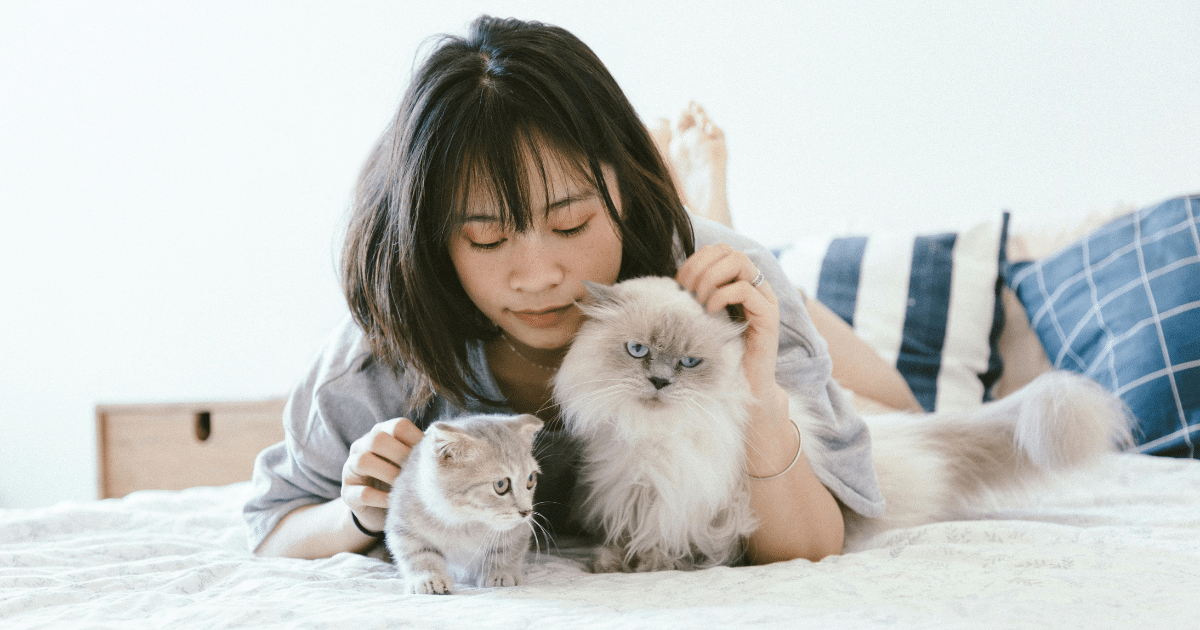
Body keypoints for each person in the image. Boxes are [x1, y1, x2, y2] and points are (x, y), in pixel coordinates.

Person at [245, 15, 907, 565]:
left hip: (682, 269)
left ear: (625, 183)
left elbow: (816, 545)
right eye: (484, 237)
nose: (537, 277)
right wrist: (355, 513)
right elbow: (274, 530)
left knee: (898, 410)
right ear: (431, 241)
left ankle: (704, 210)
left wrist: (759, 397)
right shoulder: (381, 349)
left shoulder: (731, 288)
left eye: (571, 221)